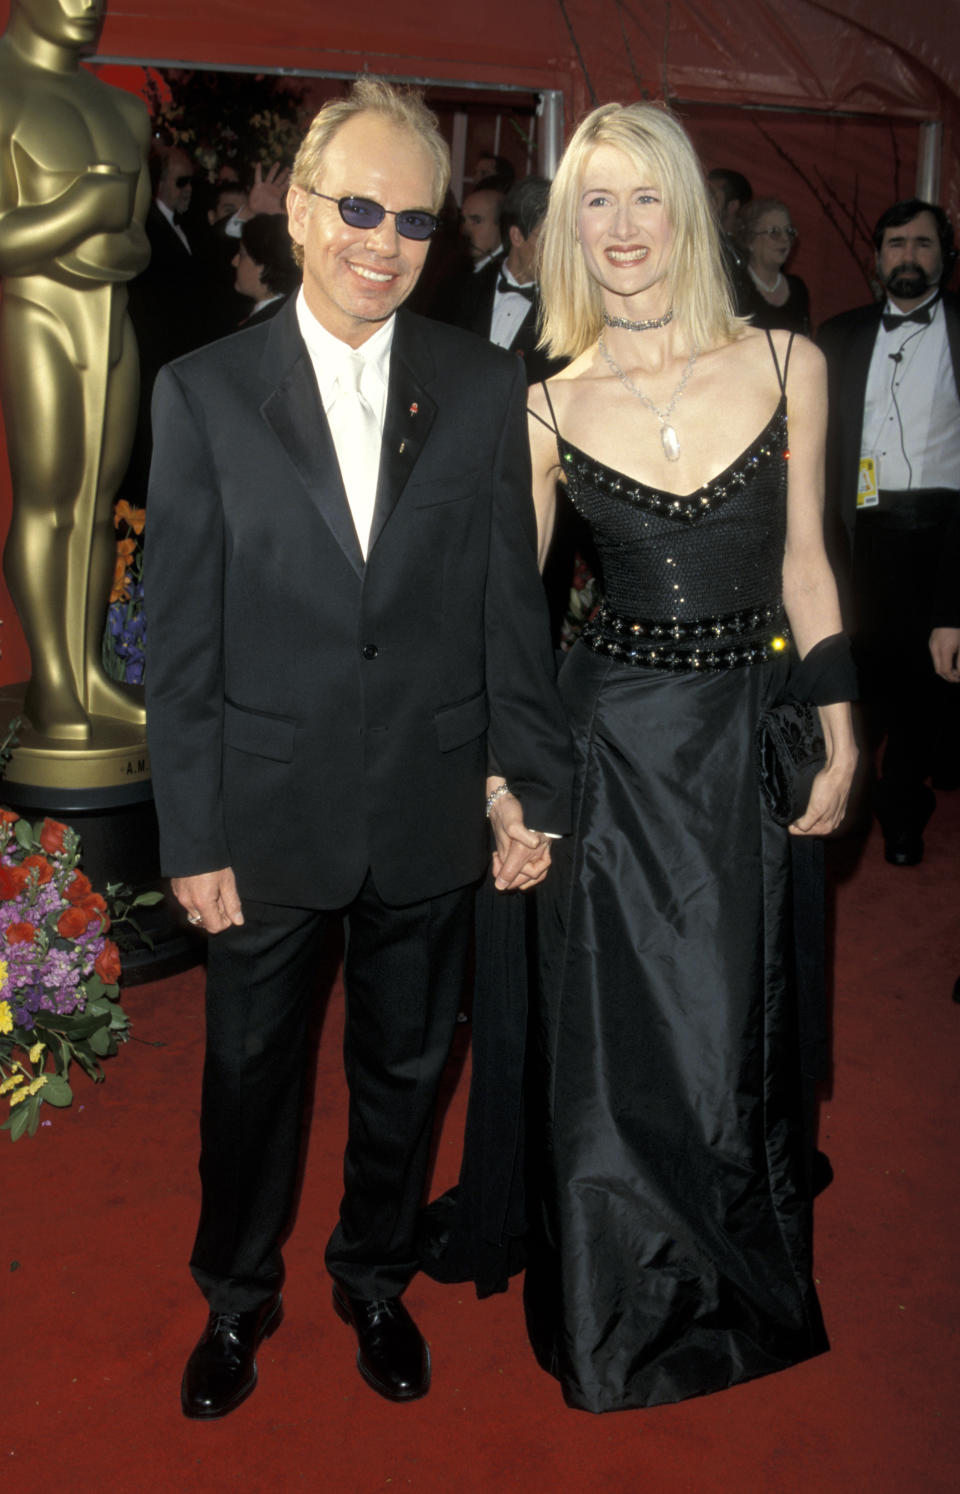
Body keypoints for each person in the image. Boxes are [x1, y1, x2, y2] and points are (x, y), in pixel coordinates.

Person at [143, 77, 572, 1420]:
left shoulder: (481, 380)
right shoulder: (202, 392)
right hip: (266, 812)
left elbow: (513, 605)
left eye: (416, 218)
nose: (383, 241)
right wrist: (193, 831)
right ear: (302, 202)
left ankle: (374, 1277)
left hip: (430, 803)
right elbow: (184, 641)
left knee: (403, 1067)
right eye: (360, 207)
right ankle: (235, 1296)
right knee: (248, 1079)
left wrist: (525, 787)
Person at [524, 101, 857, 1412]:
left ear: (688, 213)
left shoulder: (789, 367)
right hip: (610, 743)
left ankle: (735, 1280)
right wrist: (511, 774)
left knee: (732, 1021)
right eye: (591, 202)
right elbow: (514, 615)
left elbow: (809, 567)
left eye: (642, 197)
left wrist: (841, 723)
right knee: (614, 1039)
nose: (619, 228)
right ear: (569, 226)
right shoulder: (548, 402)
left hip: (741, 735)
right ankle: (620, 1309)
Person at [0, 0, 151, 740]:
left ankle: (87, 669)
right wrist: (84, 211)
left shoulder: (123, 111)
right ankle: (52, 682)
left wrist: (97, 235)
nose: (84, 4)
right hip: (38, 313)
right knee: (48, 500)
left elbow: (137, 242)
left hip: (111, 320)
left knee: (96, 507)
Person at [818, 198, 960, 865]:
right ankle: (846, 812)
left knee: (922, 696)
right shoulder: (838, 335)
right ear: (877, 261)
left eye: (923, 244)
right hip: (861, 537)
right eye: (896, 244)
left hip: (941, 537)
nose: (909, 256)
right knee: (856, 684)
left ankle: (904, 815)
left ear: (945, 257)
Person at [740, 196, 810, 335]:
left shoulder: (798, 288)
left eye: (789, 231)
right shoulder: (737, 285)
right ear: (750, 240)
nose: (785, 239)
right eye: (774, 232)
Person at [233, 212, 299, 325]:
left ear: (263, 264)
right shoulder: (287, 314)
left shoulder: (266, 324)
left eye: (242, 254)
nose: (234, 262)